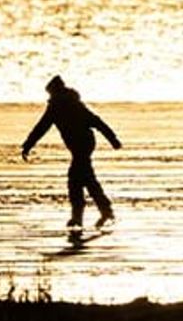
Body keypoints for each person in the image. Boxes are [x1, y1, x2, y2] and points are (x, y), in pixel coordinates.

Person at [21, 75, 123, 229]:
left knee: (75, 180)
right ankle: (102, 212)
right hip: (83, 144)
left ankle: (82, 216)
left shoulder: (65, 105)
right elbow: (42, 127)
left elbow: (95, 121)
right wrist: (28, 145)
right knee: (86, 179)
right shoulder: (64, 104)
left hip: (82, 144)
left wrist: (113, 139)